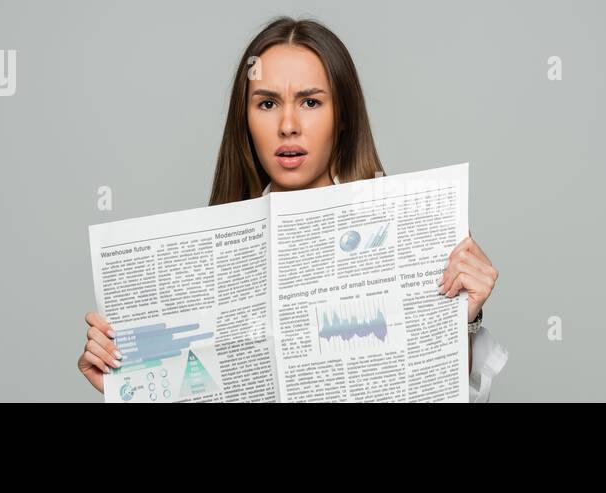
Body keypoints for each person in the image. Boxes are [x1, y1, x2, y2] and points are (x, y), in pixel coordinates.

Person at [77, 17, 506, 402]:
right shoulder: (196, 264)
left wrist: (460, 319)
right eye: (266, 103)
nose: (287, 125)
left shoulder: (409, 234)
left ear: (342, 116)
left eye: (310, 102)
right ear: (244, 119)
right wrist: (124, 383)